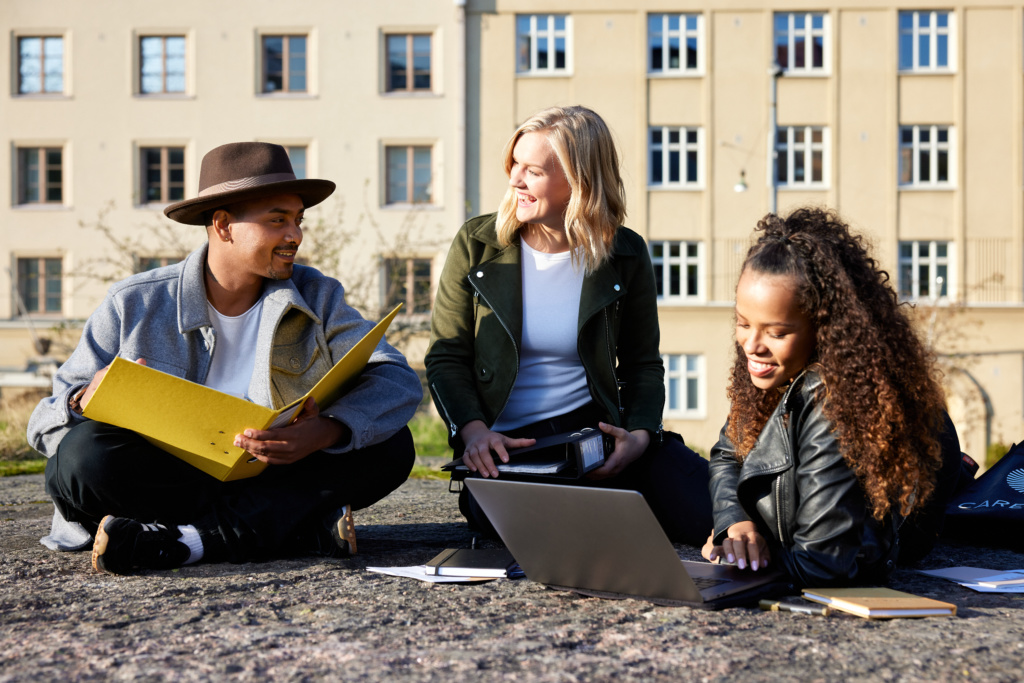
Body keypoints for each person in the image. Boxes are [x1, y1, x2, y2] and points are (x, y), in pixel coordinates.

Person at [28, 142, 422, 574]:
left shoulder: (318, 295)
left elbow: (397, 379)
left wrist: (325, 432)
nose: (295, 235)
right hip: (170, 479)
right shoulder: (133, 303)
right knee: (79, 458)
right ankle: (292, 526)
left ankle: (185, 540)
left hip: (274, 470)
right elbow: (44, 426)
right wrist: (82, 399)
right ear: (223, 225)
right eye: (278, 220)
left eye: (297, 220)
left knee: (392, 445)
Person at [425, 105, 712, 545]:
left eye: (532, 171)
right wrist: (473, 432)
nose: (515, 180)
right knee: (535, 529)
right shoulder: (476, 244)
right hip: (508, 448)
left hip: (594, 434)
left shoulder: (626, 253)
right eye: (515, 165)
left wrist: (638, 434)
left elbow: (642, 365)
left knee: (711, 507)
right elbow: (446, 356)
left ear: (579, 181)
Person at [702, 207, 974, 587]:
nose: (752, 345)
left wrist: (748, 557)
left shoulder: (834, 396)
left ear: (824, 328)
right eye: (743, 323)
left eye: (776, 332)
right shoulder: (773, 371)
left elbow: (823, 566)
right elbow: (727, 453)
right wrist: (736, 523)